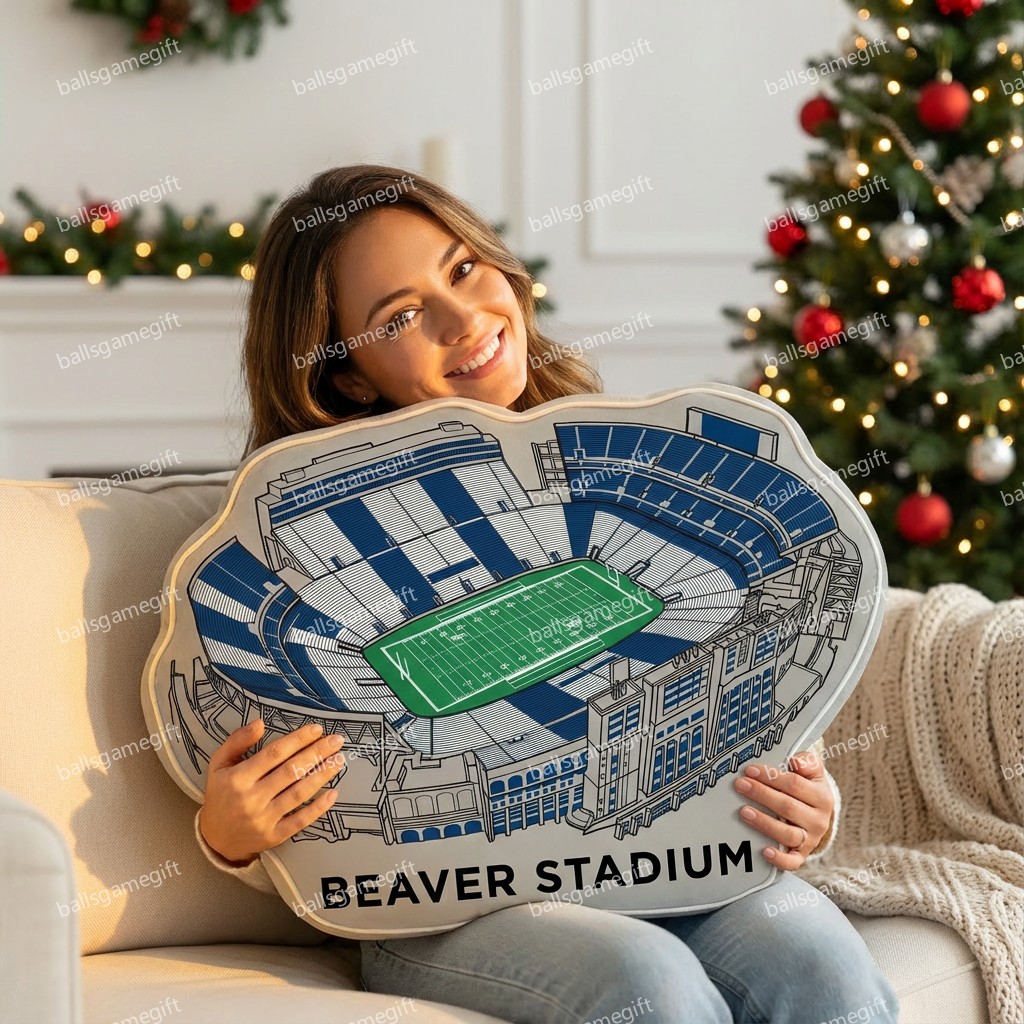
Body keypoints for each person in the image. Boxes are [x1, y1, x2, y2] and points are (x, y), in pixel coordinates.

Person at [195, 164, 899, 1024]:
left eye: (463, 269)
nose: (463, 318)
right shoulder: (261, 543)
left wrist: (808, 808)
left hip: (666, 858)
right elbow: (308, 811)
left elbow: (768, 727)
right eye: (401, 316)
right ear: (347, 376)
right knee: (646, 981)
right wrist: (228, 837)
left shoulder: (595, 445)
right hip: (447, 903)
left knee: (821, 960)